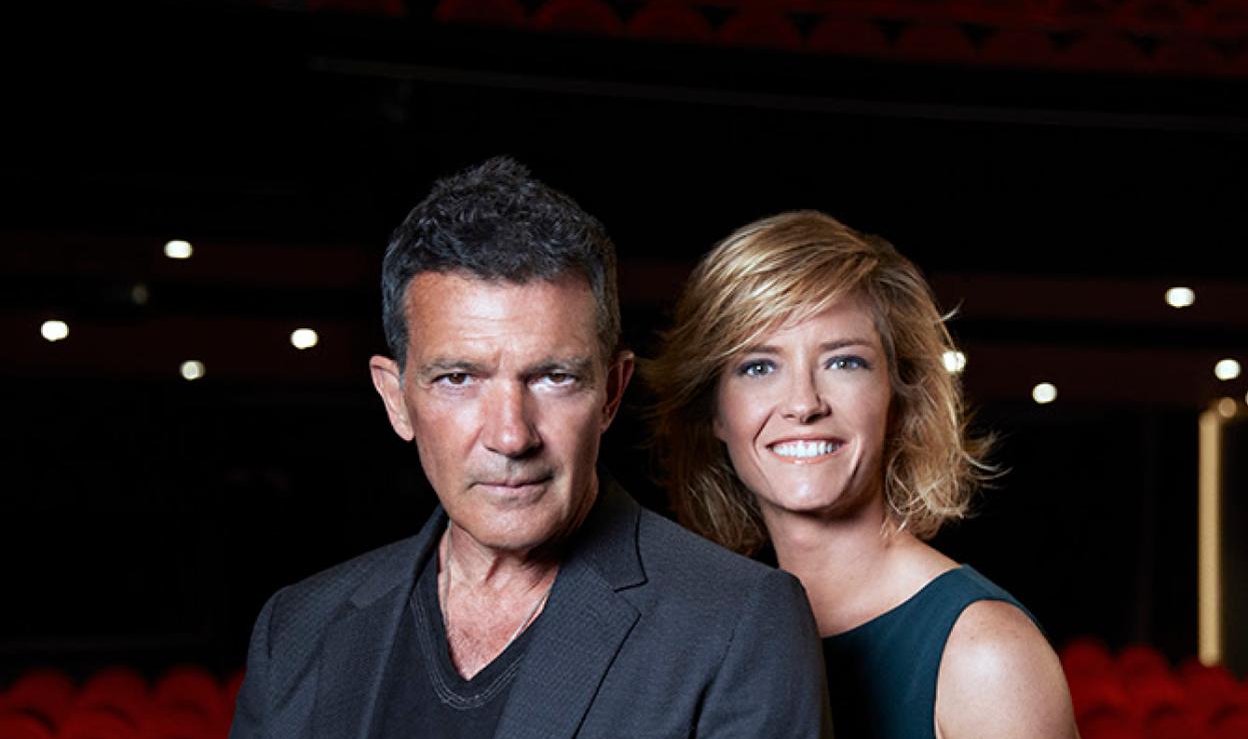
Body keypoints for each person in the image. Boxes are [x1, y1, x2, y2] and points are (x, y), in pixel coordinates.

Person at [229, 159, 832, 739]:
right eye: (458, 379)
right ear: (396, 399)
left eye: (553, 377)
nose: (511, 436)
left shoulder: (737, 623)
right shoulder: (297, 629)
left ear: (611, 393)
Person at [646, 211, 1078, 739]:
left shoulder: (985, 653)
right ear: (715, 412)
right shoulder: (712, 639)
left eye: (843, 362)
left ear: (897, 398)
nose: (803, 404)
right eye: (759, 366)